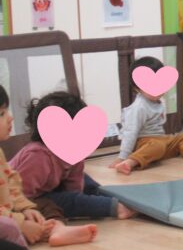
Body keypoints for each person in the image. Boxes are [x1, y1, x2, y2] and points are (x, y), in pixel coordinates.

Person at [10, 91, 136, 219]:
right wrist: (79, 203)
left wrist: (81, 198)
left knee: (87, 183)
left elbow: (75, 187)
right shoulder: (38, 156)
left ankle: (116, 198)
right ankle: (113, 207)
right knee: (65, 201)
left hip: (48, 187)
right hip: (19, 198)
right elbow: (20, 195)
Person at [0, 86, 98, 248]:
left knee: (87, 184)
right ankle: (55, 230)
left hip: (14, 204)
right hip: (13, 209)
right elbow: (25, 190)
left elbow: (12, 185)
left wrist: (25, 208)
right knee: (44, 207)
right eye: (2, 114)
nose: (10, 118)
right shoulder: (37, 155)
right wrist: (21, 222)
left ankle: (56, 228)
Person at [111, 57, 183, 175]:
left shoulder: (157, 102)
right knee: (157, 146)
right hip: (143, 143)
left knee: (182, 138)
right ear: (137, 88)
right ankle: (130, 162)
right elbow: (130, 133)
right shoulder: (139, 107)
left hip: (160, 140)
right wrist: (122, 156)